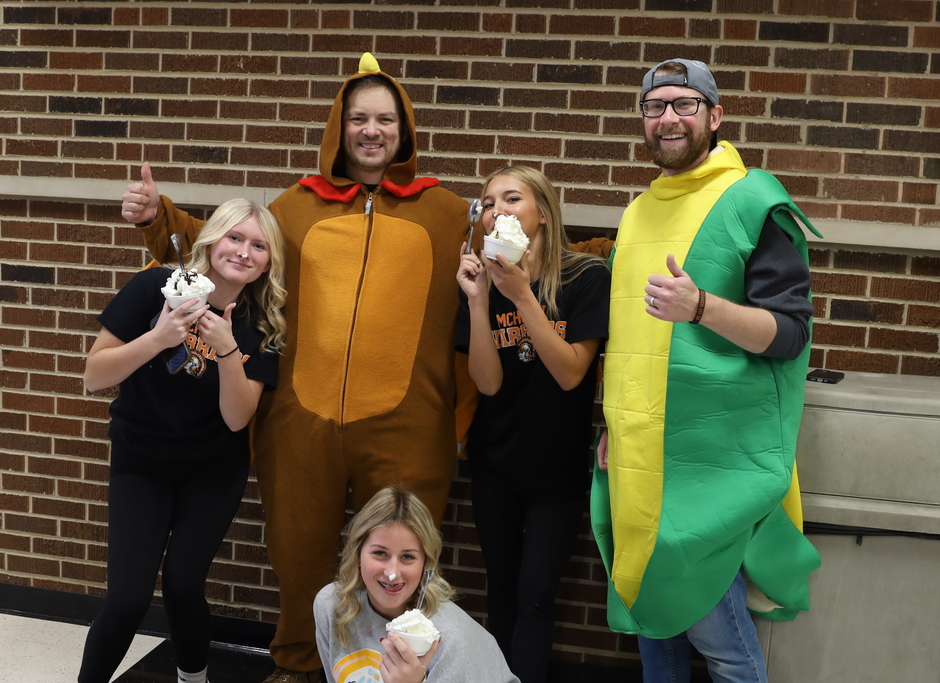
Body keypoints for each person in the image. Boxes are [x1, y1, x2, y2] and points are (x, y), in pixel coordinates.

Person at [119, 53, 470, 683]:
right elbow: (228, 247)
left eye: (385, 120)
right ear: (339, 127)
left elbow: (533, 244)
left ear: (405, 130)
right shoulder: (294, 207)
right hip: (299, 417)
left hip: (409, 424)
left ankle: (402, 670)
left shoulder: (447, 214)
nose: (371, 131)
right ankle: (299, 664)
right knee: (298, 551)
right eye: (358, 118)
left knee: (400, 561)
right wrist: (160, 219)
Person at [590, 58, 823, 683]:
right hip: (642, 451)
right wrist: (616, 422)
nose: (667, 118)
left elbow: (790, 334)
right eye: (654, 106)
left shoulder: (752, 199)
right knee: (652, 623)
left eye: (683, 105)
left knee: (720, 642)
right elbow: (631, 338)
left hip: (709, 463)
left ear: (715, 117)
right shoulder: (638, 211)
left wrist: (701, 307)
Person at [78, 199, 286, 683]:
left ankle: (193, 678)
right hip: (141, 463)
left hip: (212, 471)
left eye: (258, 245)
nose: (243, 251)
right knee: (127, 599)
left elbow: (237, 420)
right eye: (235, 237)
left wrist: (229, 349)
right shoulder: (156, 287)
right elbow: (93, 376)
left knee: (183, 585)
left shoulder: (264, 324)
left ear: (269, 260)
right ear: (212, 239)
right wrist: (158, 337)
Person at [455, 166, 609, 682]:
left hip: (557, 469)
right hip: (496, 460)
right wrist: (479, 303)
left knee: (536, 595)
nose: (497, 209)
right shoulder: (480, 281)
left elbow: (570, 375)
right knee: (499, 588)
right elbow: (489, 383)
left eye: (512, 198)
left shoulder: (586, 278)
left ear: (541, 213)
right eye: (488, 202)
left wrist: (521, 293)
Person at [314, 486, 519, 683]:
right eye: (380, 553)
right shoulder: (331, 606)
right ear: (358, 555)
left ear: (426, 563)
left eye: (408, 557)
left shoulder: (454, 641)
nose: (392, 573)